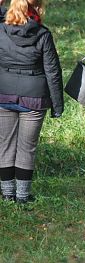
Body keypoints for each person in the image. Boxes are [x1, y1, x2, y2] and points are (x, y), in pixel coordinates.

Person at [0, 0, 64, 203]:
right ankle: (23, 196)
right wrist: (57, 105)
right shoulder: (43, 34)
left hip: (4, 95)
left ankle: (7, 193)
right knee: (27, 147)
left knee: (5, 145)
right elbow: (52, 71)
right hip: (34, 99)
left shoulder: (1, 30)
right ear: (37, 8)